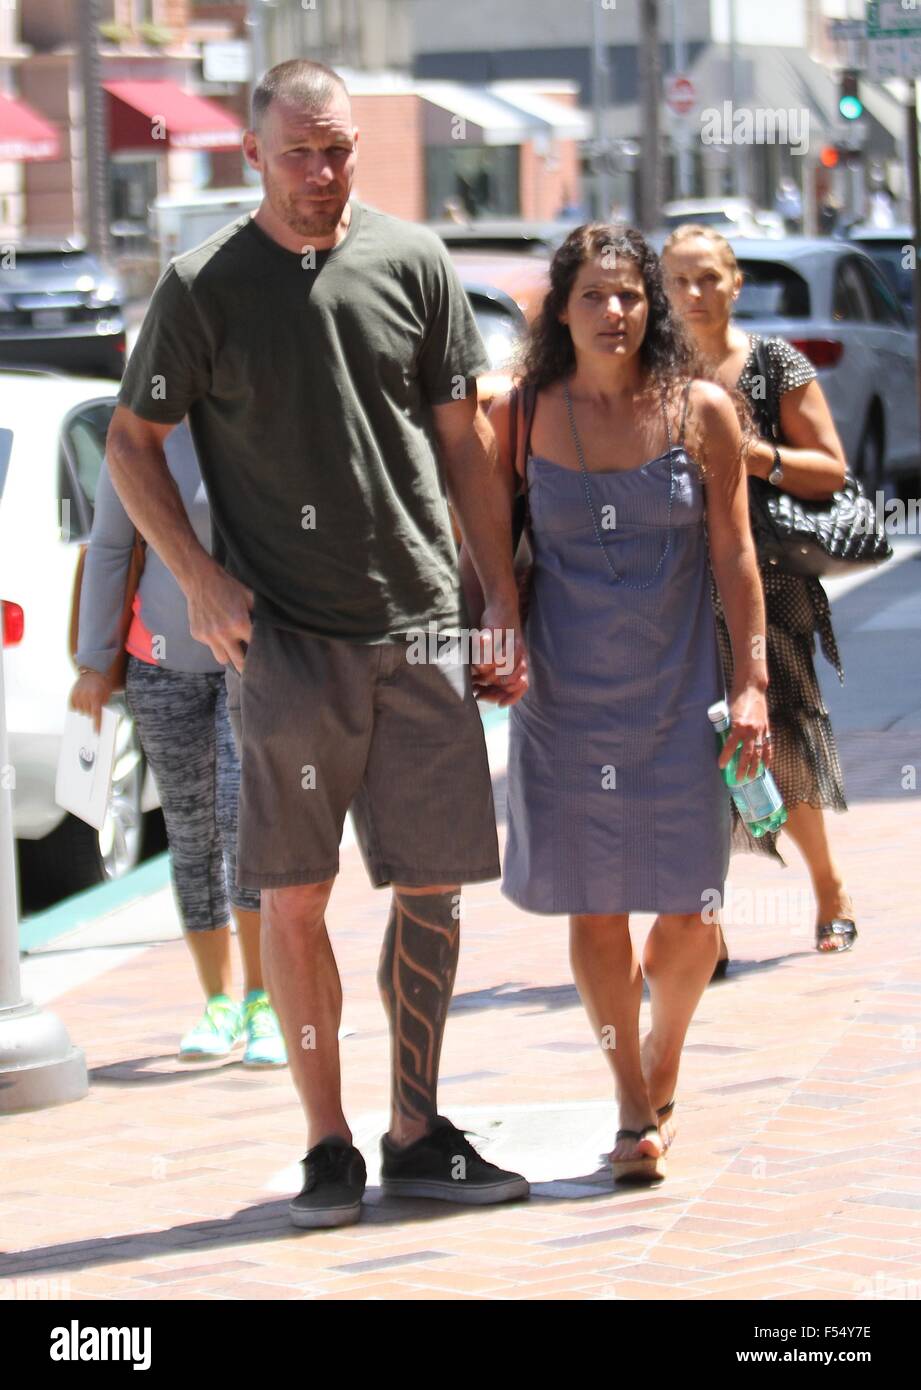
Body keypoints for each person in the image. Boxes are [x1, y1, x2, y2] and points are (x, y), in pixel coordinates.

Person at [104, 58, 530, 1229]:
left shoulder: (413, 261)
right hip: (285, 644)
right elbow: (129, 443)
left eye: (337, 149)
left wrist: (499, 593)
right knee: (296, 897)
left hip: (421, 626)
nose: (320, 172)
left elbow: (464, 444)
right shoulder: (203, 287)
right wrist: (194, 576)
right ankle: (327, 1143)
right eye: (298, 151)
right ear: (253, 155)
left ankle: (415, 1129)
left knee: (434, 887)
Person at [463, 224, 770, 1182]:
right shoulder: (519, 413)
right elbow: (486, 546)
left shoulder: (701, 411)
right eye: (593, 295)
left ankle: (660, 1060)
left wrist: (753, 682)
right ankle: (633, 1108)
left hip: (680, 690)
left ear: (655, 307)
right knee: (595, 907)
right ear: (559, 308)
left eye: (631, 294)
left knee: (692, 905)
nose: (615, 312)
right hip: (564, 696)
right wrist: (496, 621)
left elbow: (733, 555)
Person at [662, 224, 855, 959]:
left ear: (734, 282)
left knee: (779, 744)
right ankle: (703, 930)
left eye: (708, 277)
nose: (694, 293)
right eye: (678, 281)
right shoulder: (653, 373)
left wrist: (749, 455)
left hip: (767, 581)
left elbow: (829, 470)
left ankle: (829, 887)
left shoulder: (775, 363)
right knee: (687, 756)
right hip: (679, 586)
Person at [70, 422, 287, 1067]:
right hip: (158, 667)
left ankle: (263, 998)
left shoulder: (254, 410)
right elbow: (110, 548)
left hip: (248, 659)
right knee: (191, 833)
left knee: (240, 817)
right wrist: (92, 662)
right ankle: (218, 1002)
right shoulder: (135, 436)